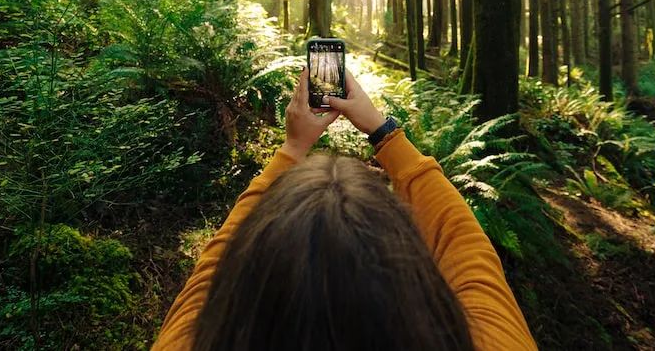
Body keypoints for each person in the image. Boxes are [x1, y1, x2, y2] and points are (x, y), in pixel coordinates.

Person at [153, 69, 537, 351]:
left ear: (242, 283)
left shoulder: (194, 338)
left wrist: (291, 149)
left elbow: (212, 266)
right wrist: (381, 130)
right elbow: (464, 246)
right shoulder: (490, 340)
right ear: (415, 281)